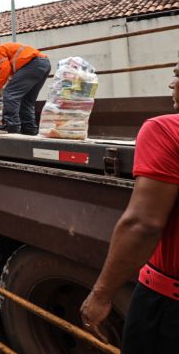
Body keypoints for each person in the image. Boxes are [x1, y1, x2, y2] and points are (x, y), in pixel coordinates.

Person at [80, 57, 179, 353]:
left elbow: (143, 224)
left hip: (168, 306)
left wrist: (100, 295)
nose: (172, 83)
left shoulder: (165, 129)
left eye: (177, 75)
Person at [0, 39, 51, 135]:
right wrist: (4, 85)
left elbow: (5, 68)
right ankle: (29, 128)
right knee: (27, 100)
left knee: (10, 93)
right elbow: (11, 72)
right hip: (44, 64)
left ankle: (11, 125)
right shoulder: (5, 49)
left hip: (32, 64)